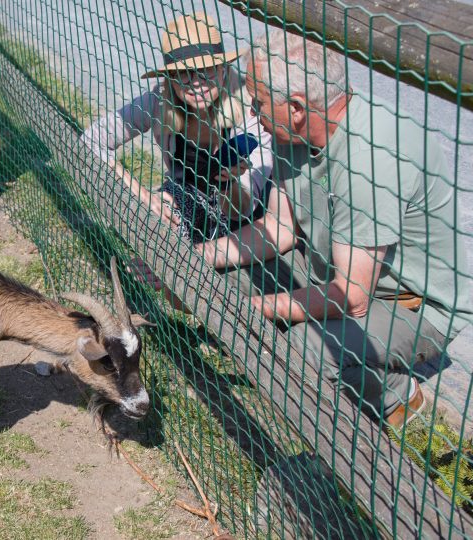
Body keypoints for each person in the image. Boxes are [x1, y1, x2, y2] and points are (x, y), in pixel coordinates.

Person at [164, 29, 473, 429]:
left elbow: (353, 297)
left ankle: (397, 395)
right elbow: (277, 227)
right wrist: (190, 260)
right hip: (333, 266)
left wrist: (253, 311)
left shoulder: (373, 158)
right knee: (224, 275)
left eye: (257, 103)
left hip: (407, 301)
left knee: (298, 349)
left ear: (295, 107)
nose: (252, 113)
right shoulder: (292, 133)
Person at [80, 13, 274, 243]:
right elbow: (90, 140)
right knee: (158, 219)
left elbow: (243, 209)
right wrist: (140, 195)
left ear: (223, 69)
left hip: (240, 214)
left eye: (206, 69)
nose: (195, 82)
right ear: (170, 78)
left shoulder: (252, 111)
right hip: (187, 195)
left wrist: (228, 183)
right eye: (183, 73)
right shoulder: (159, 99)